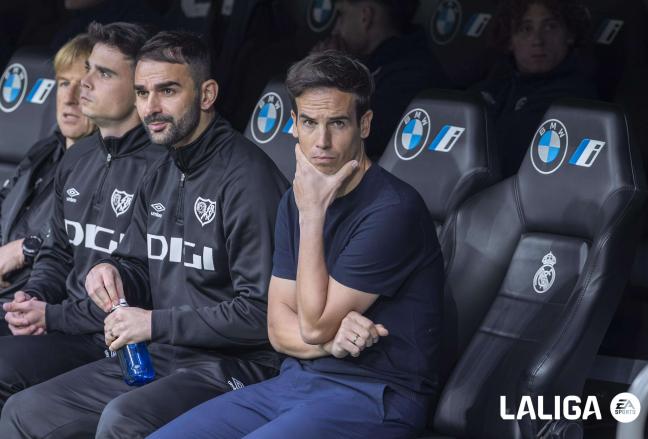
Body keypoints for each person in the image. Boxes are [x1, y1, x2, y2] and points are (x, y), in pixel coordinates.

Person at [0, 31, 289, 438]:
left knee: (124, 420)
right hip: (160, 353)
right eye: (142, 92)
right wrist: (111, 270)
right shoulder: (161, 169)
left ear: (207, 95)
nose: (151, 107)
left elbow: (261, 314)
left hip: (235, 365)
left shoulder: (247, 178)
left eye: (167, 90)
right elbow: (137, 265)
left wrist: (154, 324)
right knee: (24, 410)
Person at [150, 51, 445, 439]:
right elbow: (279, 329)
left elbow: (313, 322)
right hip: (296, 382)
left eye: (337, 123)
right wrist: (328, 344)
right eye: (309, 122)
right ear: (294, 125)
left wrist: (312, 215)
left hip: (376, 394)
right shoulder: (297, 198)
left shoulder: (392, 208)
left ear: (365, 124)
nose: (321, 141)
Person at [0, 21, 165, 410]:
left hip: (118, 341)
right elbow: (57, 253)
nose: (84, 84)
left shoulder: (163, 168)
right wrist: (34, 296)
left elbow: (142, 283)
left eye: (102, 73)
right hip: (65, 323)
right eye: (87, 68)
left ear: (139, 87)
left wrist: (52, 316)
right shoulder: (76, 158)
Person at [0, 33, 95, 317]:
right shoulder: (44, 150)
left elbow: (90, 239)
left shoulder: (111, 165)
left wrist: (26, 248)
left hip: (36, 302)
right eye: (64, 83)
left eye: (84, 86)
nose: (69, 98)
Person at [474, 0, 597, 177]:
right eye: (526, 28)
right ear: (510, 40)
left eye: (550, 27)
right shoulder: (494, 84)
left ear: (569, 34)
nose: (538, 41)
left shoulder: (575, 99)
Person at [315, 0, 447, 160]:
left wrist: (325, 75)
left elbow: (353, 139)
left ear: (366, 17)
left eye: (341, 15)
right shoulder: (374, 65)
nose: (335, 29)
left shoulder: (410, 75)